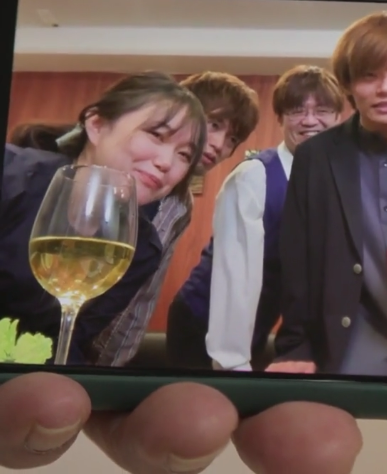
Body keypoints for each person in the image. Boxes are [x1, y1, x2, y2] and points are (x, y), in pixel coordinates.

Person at [0, 0, 387, 471]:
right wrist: (253, 357)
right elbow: (280, 264)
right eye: (368, 75)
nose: (385, 88)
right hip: (299, 336)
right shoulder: (304, 162)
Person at [267, 11, 387, 377]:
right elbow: (297, 261)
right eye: (369, 75)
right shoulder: (316, 156)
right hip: (350, 344)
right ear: (347, 83)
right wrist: (295, 346)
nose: (385, 89)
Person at [1, 71, 207, 366]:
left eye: (184, 155)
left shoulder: (142, 247)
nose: (166, 162)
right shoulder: (11, 176)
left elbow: (72, 340)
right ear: (97, 126)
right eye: (156, 135)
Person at [167, 66, 344, 371]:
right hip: (205, 321)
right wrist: (232, 360)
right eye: (297, 110)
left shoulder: (333, 183)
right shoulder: (255, 176)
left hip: (256, 325)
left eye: (323, 110)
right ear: (280, 119)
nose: (309, 120)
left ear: (339, 118)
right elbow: (234, 277)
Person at [88, 71, 260, 367]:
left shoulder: (180, 205)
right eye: (214, 125)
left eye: (232, 138)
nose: (219, 144)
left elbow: (143, 295)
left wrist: (111, 366)